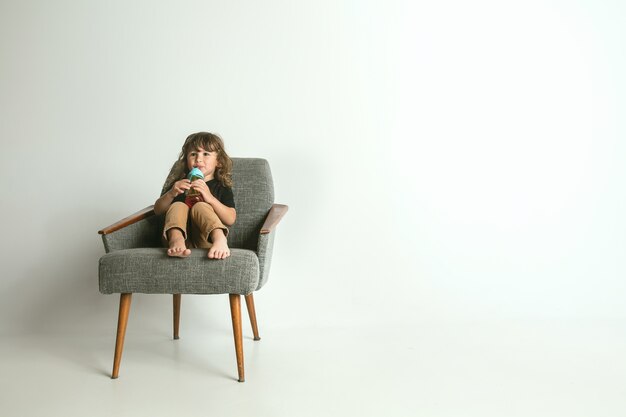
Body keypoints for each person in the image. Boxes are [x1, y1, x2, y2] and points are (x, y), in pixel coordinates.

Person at [154, 132, 236, 259]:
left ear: (218, 161)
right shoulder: (180, 184)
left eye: (206, 154)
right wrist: (171, 193)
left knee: (200, 207)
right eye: (193, 154)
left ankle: (220, 238)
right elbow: (157, 210)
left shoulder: (221, 187)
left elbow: (230, 218)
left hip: (206, 241)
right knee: (178, 205)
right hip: (180, 243)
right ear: (186, 160)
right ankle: (176, 238)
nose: (198, 159)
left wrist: (210, 199)